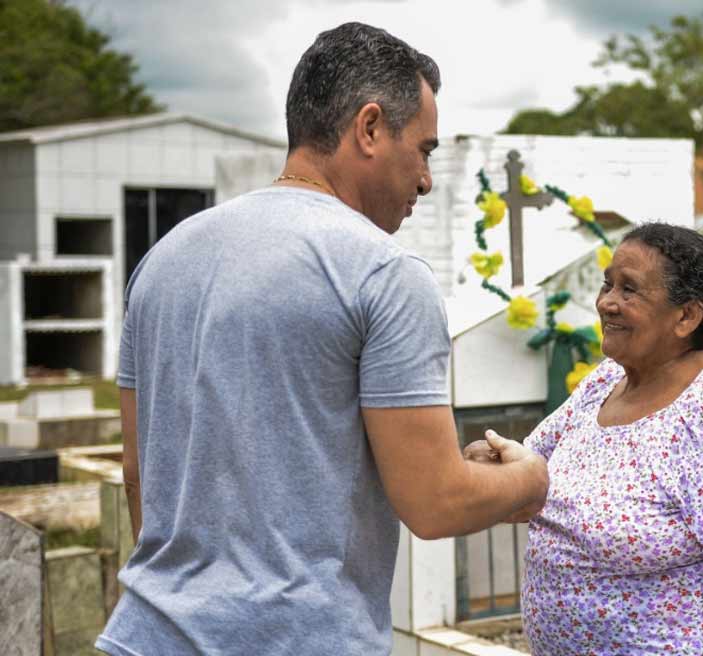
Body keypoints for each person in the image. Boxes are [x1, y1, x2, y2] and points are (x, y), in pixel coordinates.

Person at [97, 23, 548, 656]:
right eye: (422, 149)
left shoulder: (165, 258)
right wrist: (530, 483)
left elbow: (140, 474)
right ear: (368, 128)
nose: (425, 179)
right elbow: (436, 502)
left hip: (146, 637)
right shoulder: (383, 274)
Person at [471, 223, 703, 655]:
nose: (607, 302)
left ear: (686, 316)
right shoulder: (607, 382)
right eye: (608, 284)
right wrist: (495, 466)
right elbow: (533, 481)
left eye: (629, 290)